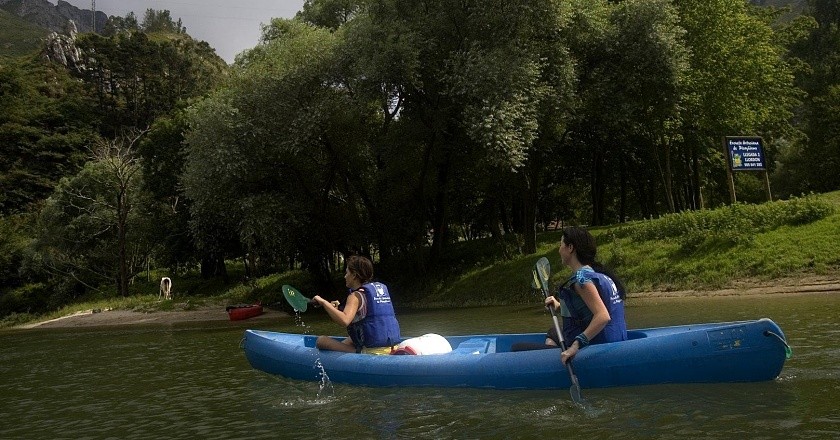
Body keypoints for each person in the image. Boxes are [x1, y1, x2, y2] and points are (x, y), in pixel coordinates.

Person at [513, 227, 628, 362]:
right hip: (615, 341)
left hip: (600, 349)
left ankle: (558, 360)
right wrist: (558, 305)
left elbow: (603, 316)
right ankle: (556, 357)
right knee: (553, 332)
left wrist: (575, 345)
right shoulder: (598, 275)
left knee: (516, 348)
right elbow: (587, 307)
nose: (559, 250)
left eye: (561, 244)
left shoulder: (581, 280)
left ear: (570, 248)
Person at [312, 255, 401, 353]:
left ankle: (356, 353)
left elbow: (344, 320)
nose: (345, 276)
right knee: (350, 339)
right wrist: (337, 309)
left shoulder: (355, 296)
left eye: (347, 273)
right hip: (393, 347)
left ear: (354, 275)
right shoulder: (377, 292)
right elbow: (361, 313)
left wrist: (323, 302)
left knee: (321, 341)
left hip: (372, 351)